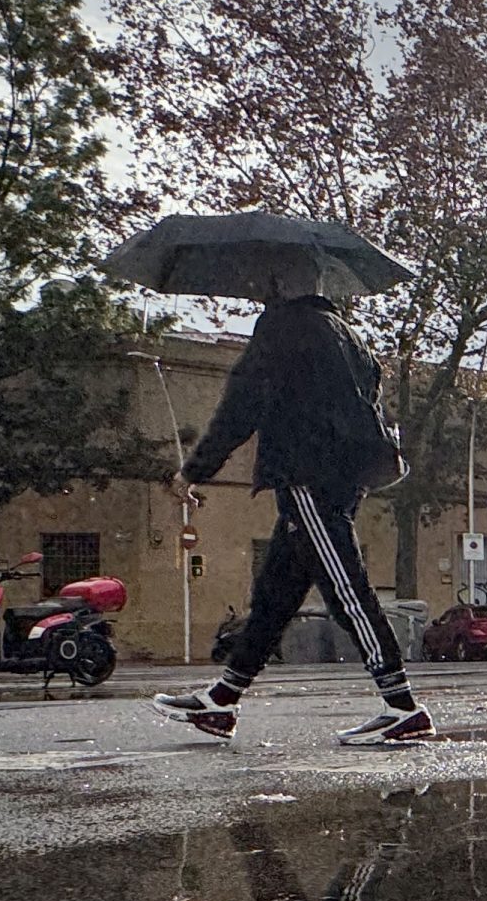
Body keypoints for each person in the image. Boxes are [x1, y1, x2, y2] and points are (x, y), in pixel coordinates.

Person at [151, 252, 429, 746]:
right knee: (274, 598)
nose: (258, 285)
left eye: (264, 277)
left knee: (346, 589)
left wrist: (194, 470)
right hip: (342, 476)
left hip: (307, 477)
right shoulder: (348, 334)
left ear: (279, 281)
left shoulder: (283, 328)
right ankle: (223, 699)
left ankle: (402, 706)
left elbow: (241, 405)